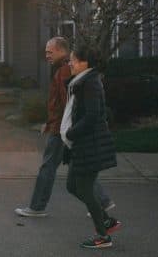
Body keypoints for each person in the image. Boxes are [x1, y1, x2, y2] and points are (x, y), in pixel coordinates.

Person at [15, 37, 114, 218]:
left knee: (49, 167)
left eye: (50, 52)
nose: (46, 56)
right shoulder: (66, 69)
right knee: (78, 167)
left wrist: (63, 127)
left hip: (63, 129)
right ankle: (103, 201)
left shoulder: (64, 71)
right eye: (45, 52)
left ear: (62, 51)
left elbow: (68, 103)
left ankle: (37, 207)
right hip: (64, 127)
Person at [62, 45, 121, 249]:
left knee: (85, 189)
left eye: (73, 60)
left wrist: (70, 133)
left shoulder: (91, 83)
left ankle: (103, 236)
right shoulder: (81, 82)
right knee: (72, 185)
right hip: (82, 146)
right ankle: (105, 220)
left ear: (84, 63)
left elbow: (93, 116)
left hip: (90, 145)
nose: (69, 63)